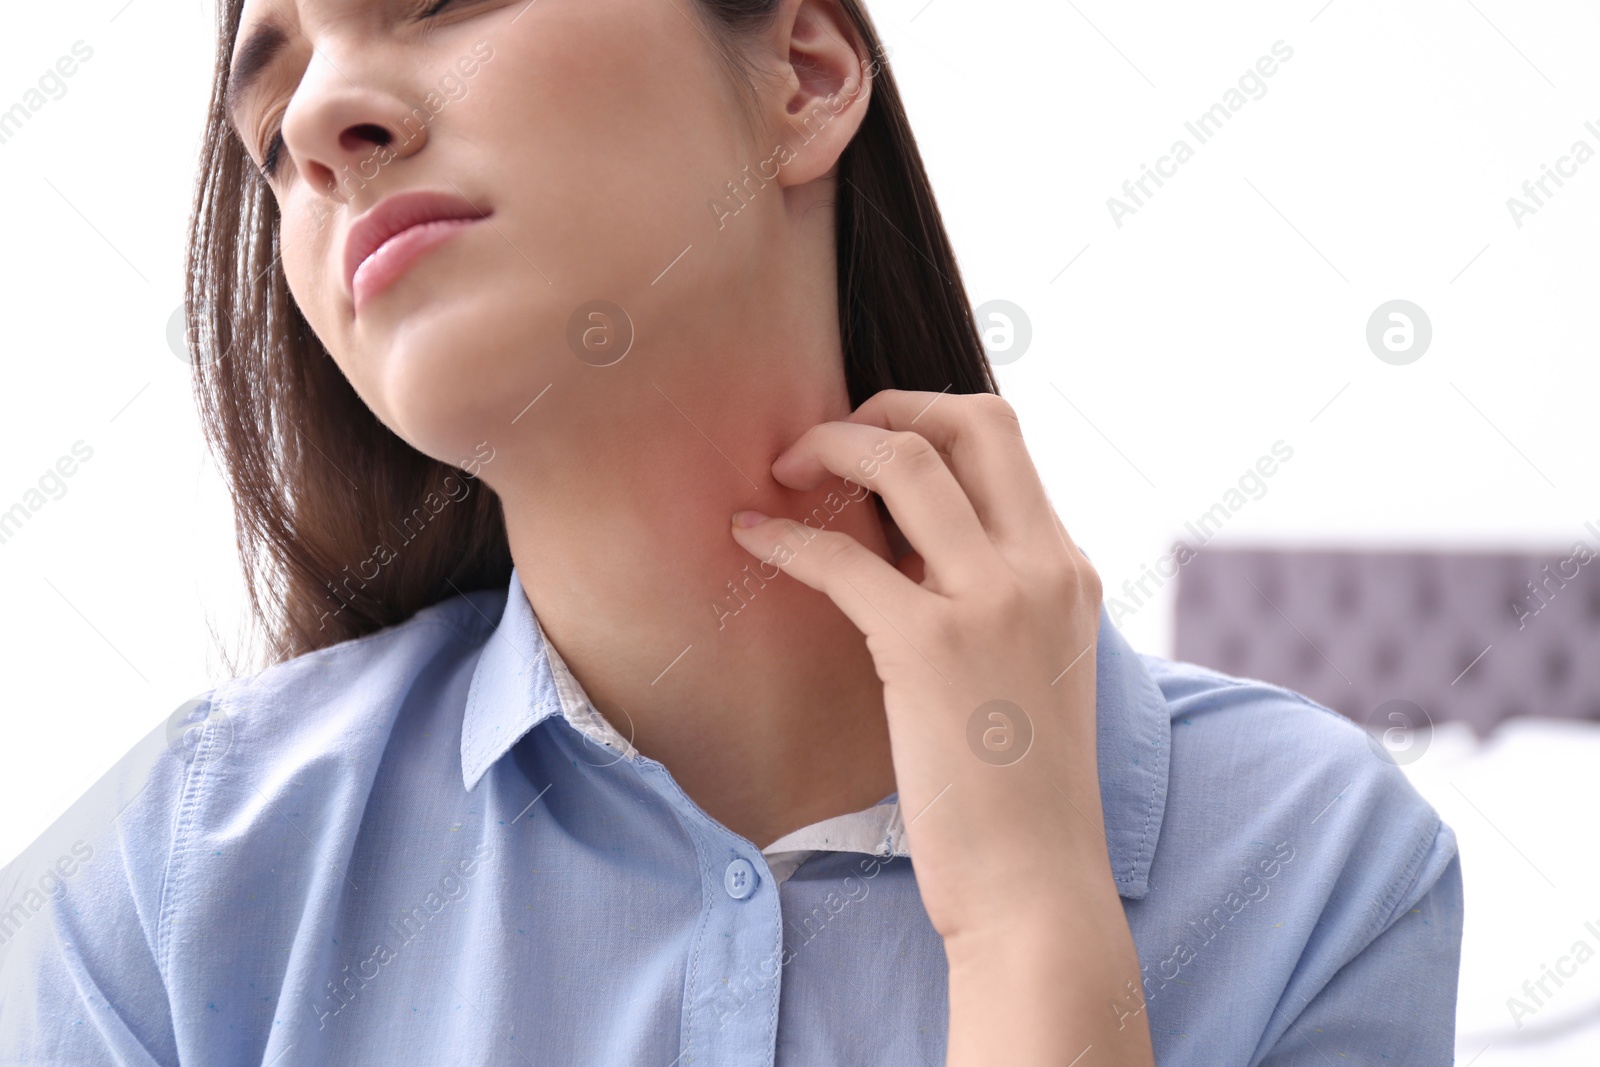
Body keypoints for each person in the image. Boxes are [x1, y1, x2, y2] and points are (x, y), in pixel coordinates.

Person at [0, 0, 1463, 1063]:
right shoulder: (172, 880)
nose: (317, 123)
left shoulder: (1312, 862)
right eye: (268, 128)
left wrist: (1034, 922)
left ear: (806, 78)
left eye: (439, 2)